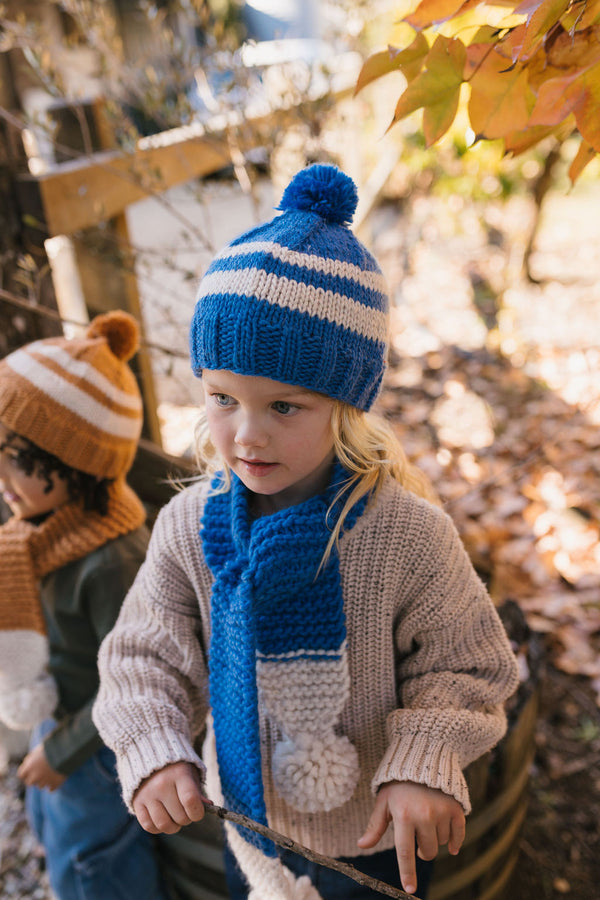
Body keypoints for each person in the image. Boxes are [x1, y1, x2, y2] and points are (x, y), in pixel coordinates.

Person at [93, 165, 519, 900]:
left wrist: (423, 759)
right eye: (222, 398)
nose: (246, 435)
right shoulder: (189, 528)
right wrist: (154, 746)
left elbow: (469, 665)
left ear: (349, 405)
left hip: (378, 832)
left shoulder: (405, 536)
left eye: (284, 408)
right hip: (250, 830)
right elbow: (143, 654)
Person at [0, 311, 171, 900]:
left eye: (16, 458)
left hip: (99, 744)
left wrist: (63, 750)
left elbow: (136, 683)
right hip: (58, 707)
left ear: (76, 464)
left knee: (92, 861)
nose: (1, 475)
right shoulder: (39, 527)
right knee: (55, 831)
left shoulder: (113, 562)